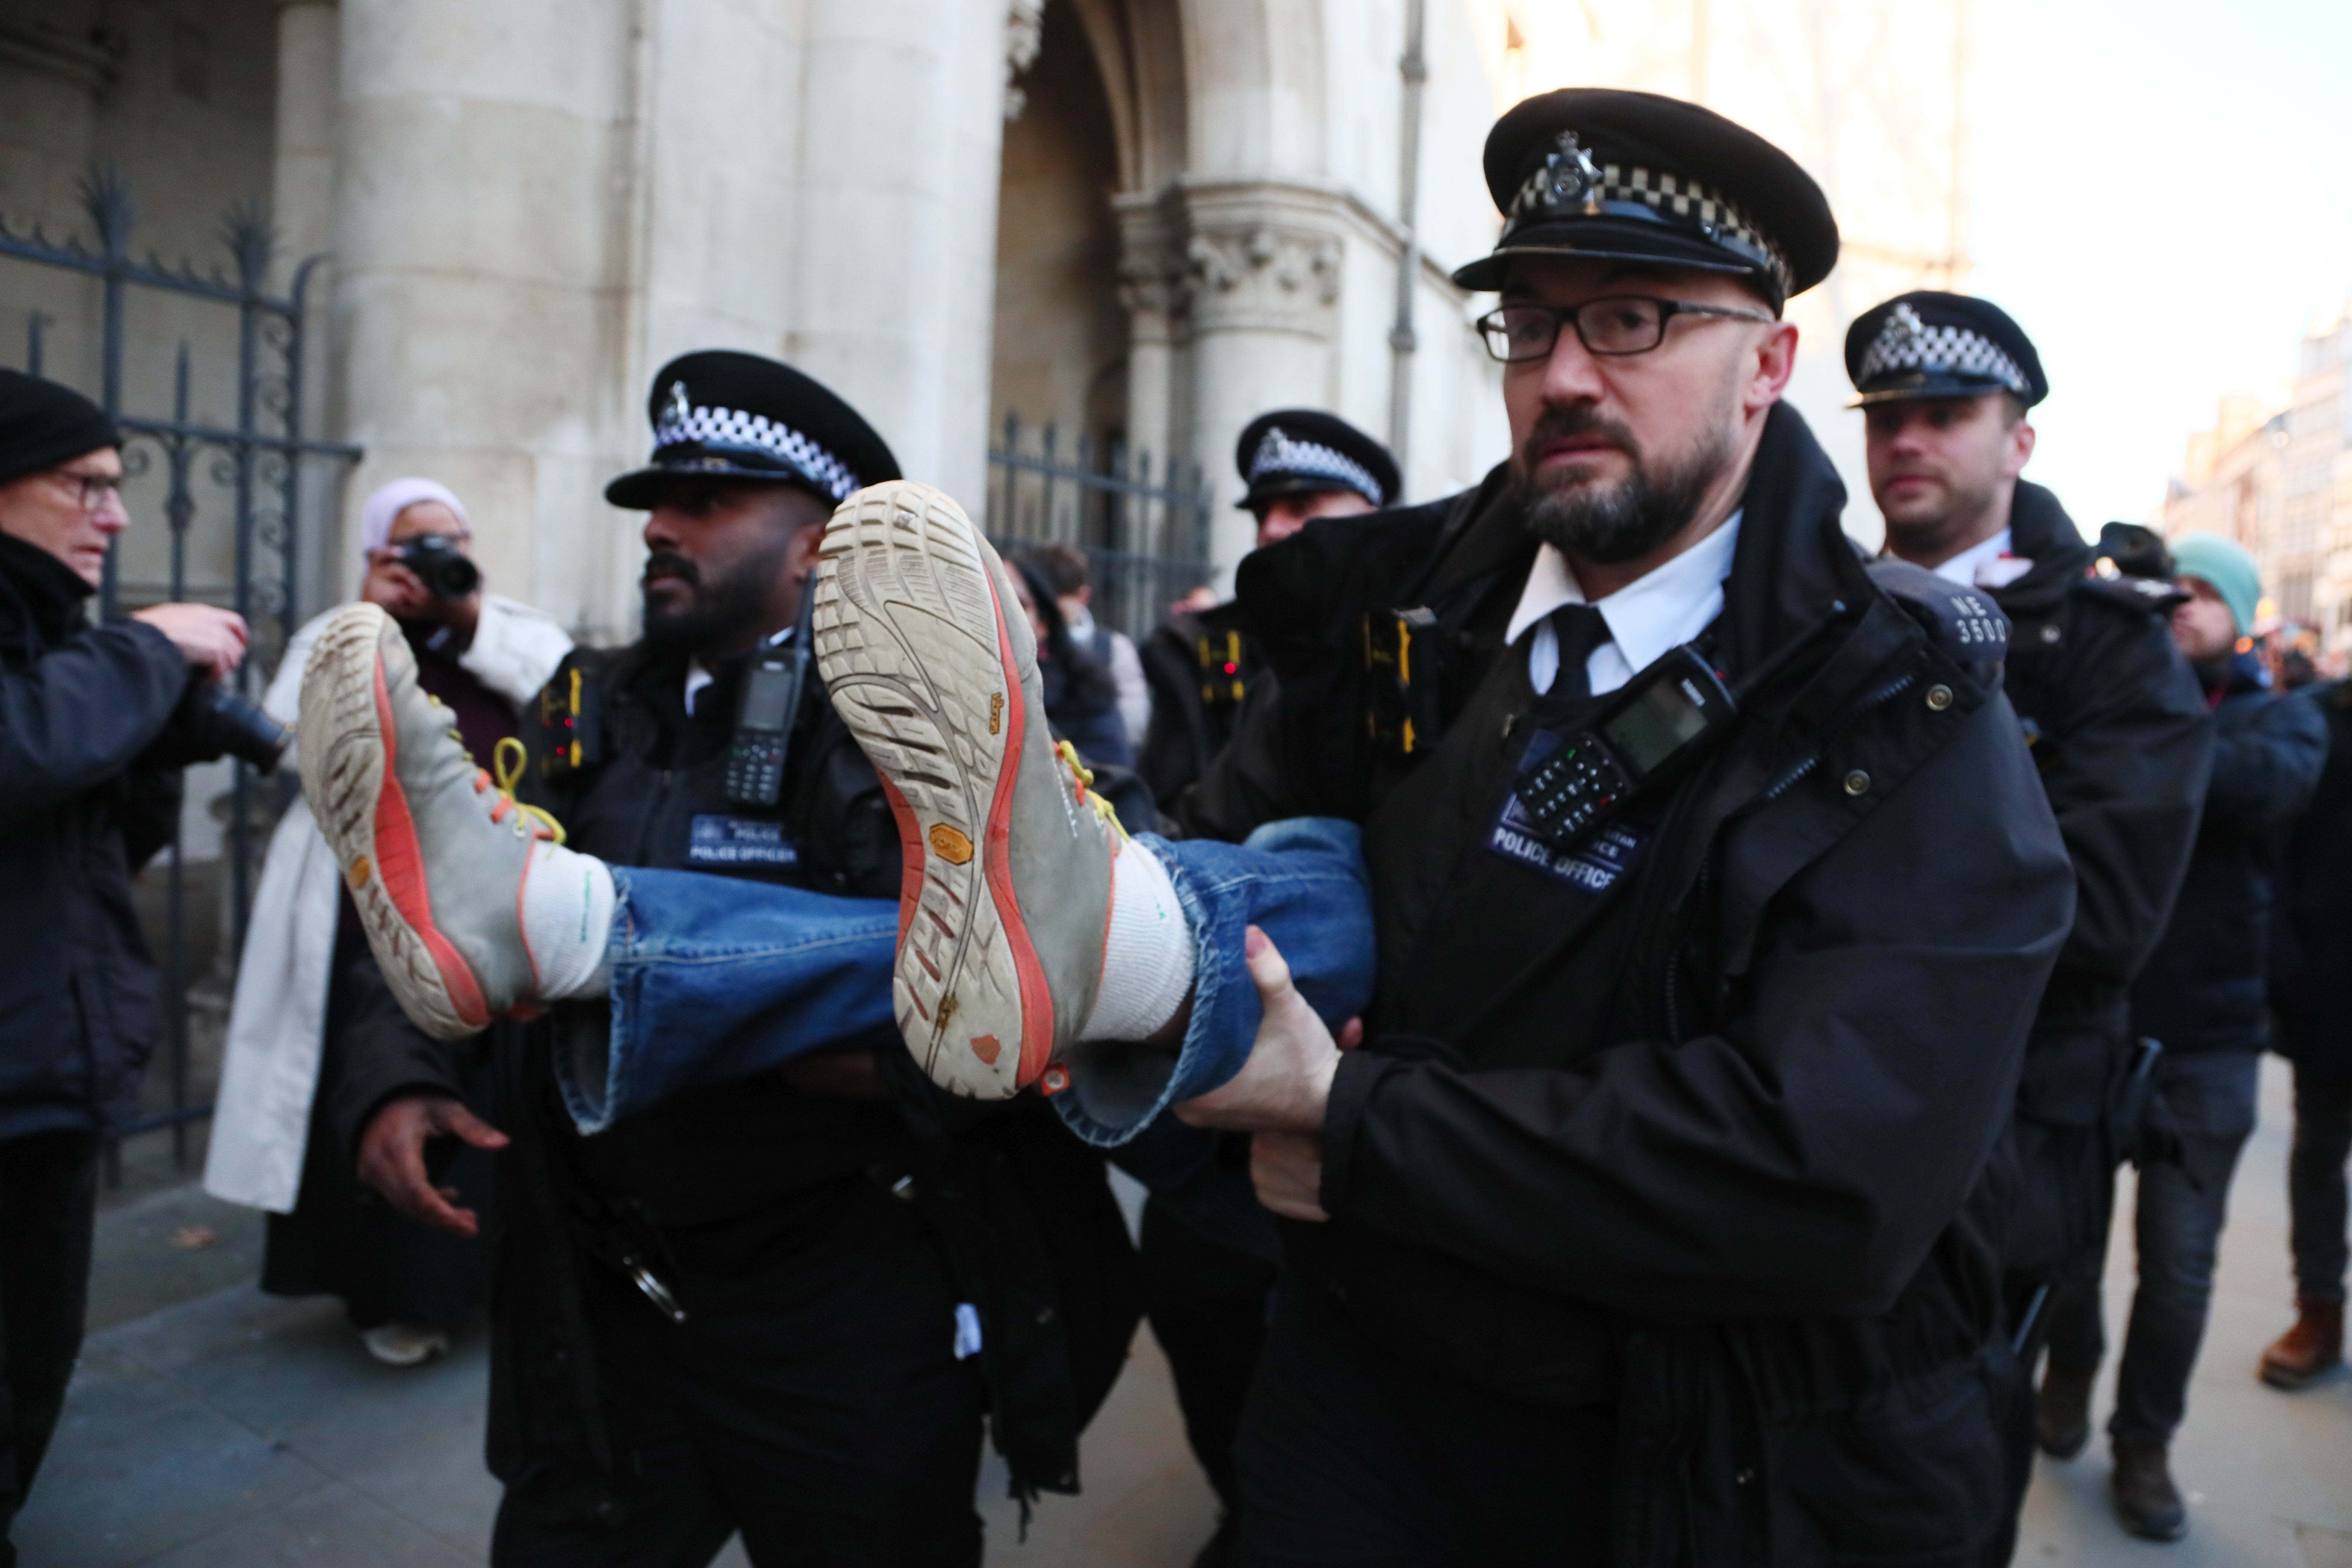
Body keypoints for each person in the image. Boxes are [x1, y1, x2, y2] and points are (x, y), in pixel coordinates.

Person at [301, 91, 2077, 1563]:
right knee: (1248, 888)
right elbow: (1226, 917)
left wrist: (1344, 1108)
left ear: (1765, 360)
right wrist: (1233, 1090)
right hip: (1360, 1388)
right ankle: (601, 932)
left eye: (1629, 317)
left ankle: (623, 935)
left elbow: (1822, 1178)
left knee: (1209, 905)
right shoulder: (1394, 614)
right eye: (1528, 318)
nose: (1557, 370)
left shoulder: (1903, 704)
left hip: (1697, 1459)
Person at [296, 353, 1150, 1567]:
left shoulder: (919, 726)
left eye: (706, 503)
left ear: (814, 547)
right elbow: (437, 904)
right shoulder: (587, 702)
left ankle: (609, 944)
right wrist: (401, 1071)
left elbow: (1060, 957)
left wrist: (886, 1055)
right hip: (608, 1295)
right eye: (657, 502)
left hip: (847, 1307)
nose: (659, 528)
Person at [1845, 292, 2214, 1557]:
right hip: (1807, 1105)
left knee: (1943, 1457)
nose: (1905, 441)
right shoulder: (1817, 608)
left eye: (1943, 415)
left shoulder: (2110, 650)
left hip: (2005, 1133)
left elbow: (2100, 914)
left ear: (2017, 442)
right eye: (1885, 416)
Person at [204, 477, 571, 1367]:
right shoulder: (341, 629)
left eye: (451, 538)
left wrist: (469, 616)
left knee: (484, 1090)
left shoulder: (509, 626)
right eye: (411, 544)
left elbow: (559, 693)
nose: (434, 558)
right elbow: (286, 738)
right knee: (377, 1081)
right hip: (361, 895)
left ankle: (472, 1278)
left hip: (489, 886)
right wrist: (369, 618)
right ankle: (390, 1291)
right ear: (375, 554)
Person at [0, 369, 250, 1564]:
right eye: (82, 485)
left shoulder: (55, 646)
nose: (113, 515)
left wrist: (154, 745)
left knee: (25, 1379)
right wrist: (145, 652)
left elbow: (93, 854)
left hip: (43, 1090)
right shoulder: (68, 659)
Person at [2037, 531, 2327, 1541]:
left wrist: (2136, 699)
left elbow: (2259, 789)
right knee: (2064, 1243)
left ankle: (2145, 1442)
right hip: (2092, 1024)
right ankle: (2066, 1369)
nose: (2182, 605)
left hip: (2207, 1040)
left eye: (2204, 593)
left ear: (2238, 614)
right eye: (2170, 590)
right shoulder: (2102, 698)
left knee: (2181, 1265)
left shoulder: (2281, 716)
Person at [1136, 410, 1399, 811]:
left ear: (1370, 515)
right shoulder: (1198, 647)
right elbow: (1167, 811)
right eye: (1262, 513)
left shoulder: (1409, 636)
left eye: (1302, 505)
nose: (1271, 528)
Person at [2265, 666, 2352, 1390]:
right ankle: (2317, 1310)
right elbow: (2282, 851)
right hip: (2333, 981)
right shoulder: (2318, 717)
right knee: (2319, 1150)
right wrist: (2289, 967)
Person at [1006, 551, 1133, 769]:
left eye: (1019, 603)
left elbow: (1109, 780)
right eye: (989, 599)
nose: (1002, 613)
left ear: (1044, 622)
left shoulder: (1086, 691)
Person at [1027, 540, 1150, 748]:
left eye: (1054, 609)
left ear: (1083, 597)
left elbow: (1133, 724)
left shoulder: (1113, 648)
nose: (1045, 621)